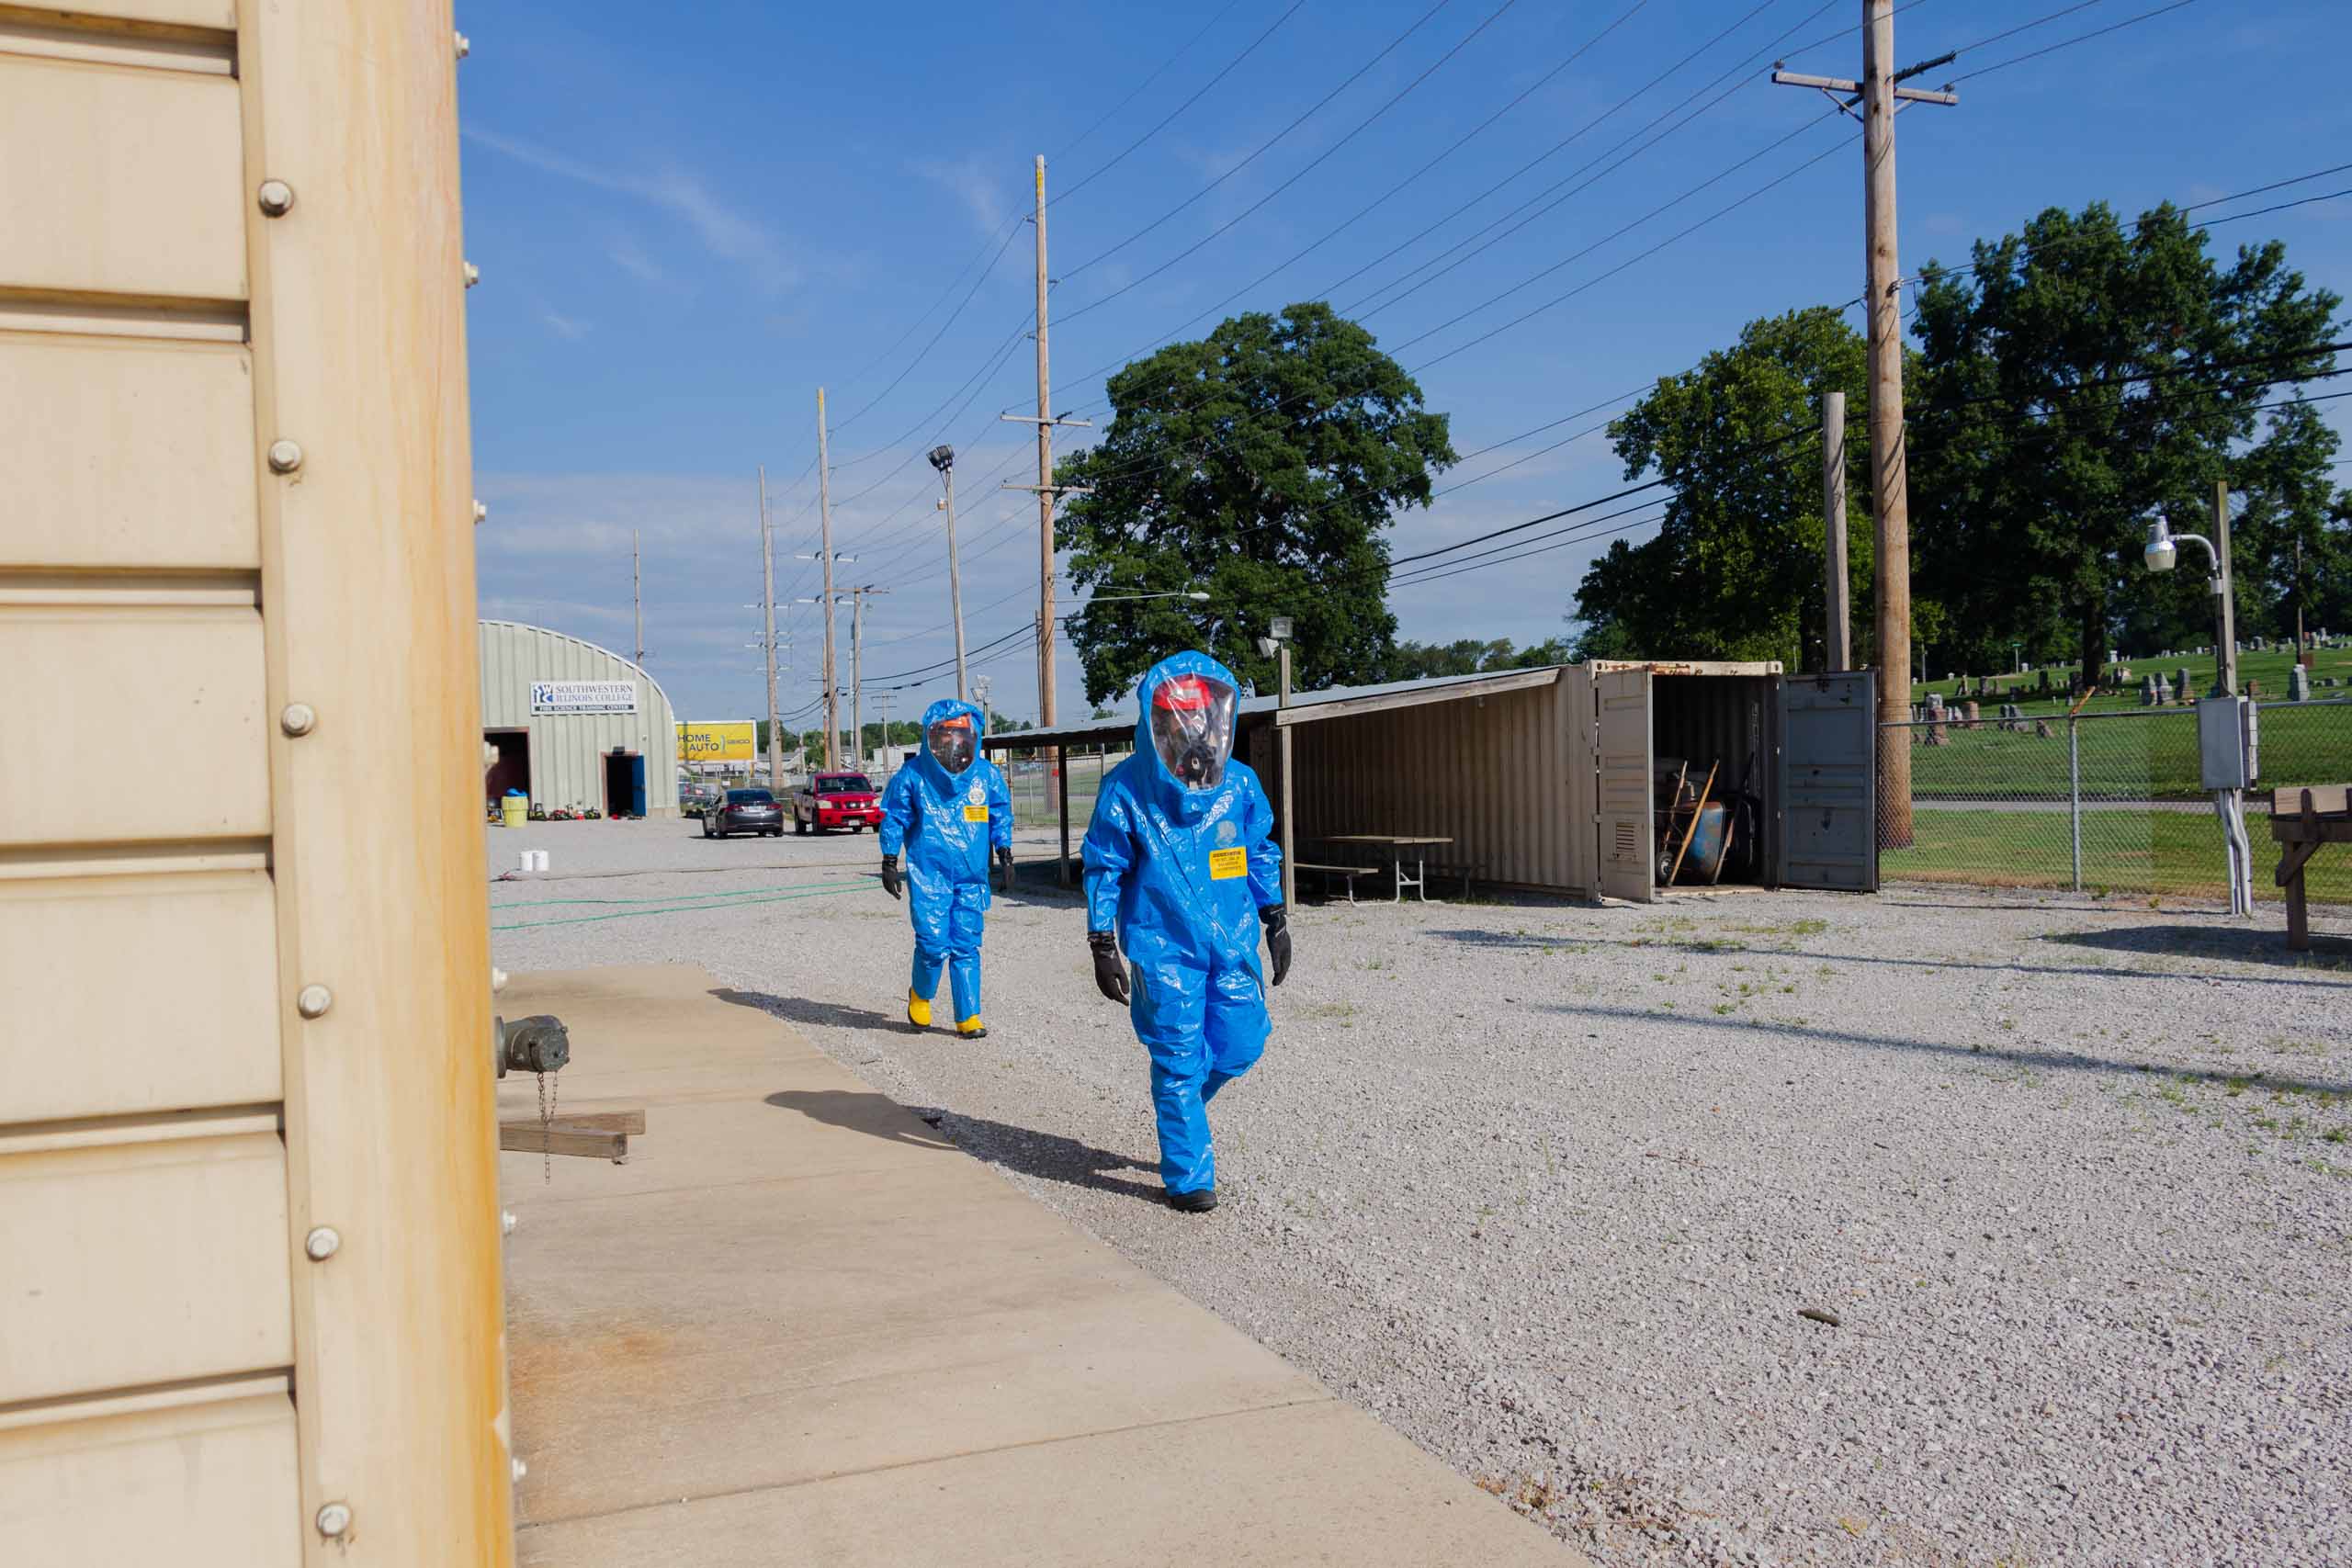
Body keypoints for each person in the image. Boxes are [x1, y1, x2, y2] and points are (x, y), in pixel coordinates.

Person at [1081, 651, 1291, 1213]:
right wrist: (1102, 943)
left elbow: (1259, 852)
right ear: (1159, 719)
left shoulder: (1239, 785)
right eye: (1181, 716)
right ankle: (1188, 1176)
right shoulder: (1126, 789)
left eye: (1204, 715)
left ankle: (1181, 1109)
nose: (1194, 728)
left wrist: (1275, 916)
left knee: (1243, 1044)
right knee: (1175, 1059)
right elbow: (1105, 865)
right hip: (1163, 949)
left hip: (1232, 944)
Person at [878, 699, 1013, 1039]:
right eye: (946, 737)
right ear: (932, 738)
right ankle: (921, 996)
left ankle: (968, 1016)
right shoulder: (914, 777)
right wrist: (889, 859)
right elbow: (895, 816)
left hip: (972, 877)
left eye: (961, 736)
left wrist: (1006, 851)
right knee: (932, 943)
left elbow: (1000, 813)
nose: (954, 745)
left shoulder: (985, 775)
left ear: (972, 736)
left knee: (967, 945)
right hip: (929, 875)